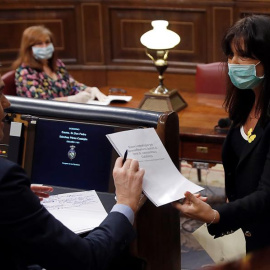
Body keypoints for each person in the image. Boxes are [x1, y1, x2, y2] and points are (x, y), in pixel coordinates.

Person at [0, 74, 145, 269]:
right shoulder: (5, 178)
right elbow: (86, 258)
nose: (7, 102)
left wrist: (15, 197)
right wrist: (126, 203)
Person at [173, 14, 270, 254]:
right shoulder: (246, 103)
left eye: (244, 55)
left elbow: (267, 195)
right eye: (230, 55)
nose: (234, 63)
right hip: (242, 231)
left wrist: (215, 214)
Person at [12, 25, 107, 103]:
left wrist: (90, 90)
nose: (45, 47)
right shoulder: (25, 72)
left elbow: (72, 85)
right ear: (28, 48)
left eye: (47, 42)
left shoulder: (57, 64)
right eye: (39, 43)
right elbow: (39, 103)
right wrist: (70, 100)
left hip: (67, 112)